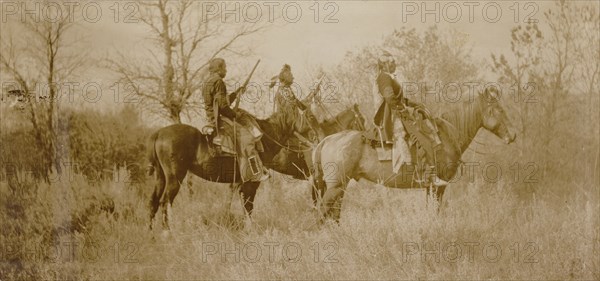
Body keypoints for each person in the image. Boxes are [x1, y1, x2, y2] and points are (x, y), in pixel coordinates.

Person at [373, 51, 448, 186]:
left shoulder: (388, 77)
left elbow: (399, 99)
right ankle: (431, 176)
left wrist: (414, 104)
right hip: (393, 117)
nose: (395, 64)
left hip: (397, 112)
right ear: (385, 64)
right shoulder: (384, 77)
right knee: (423, 139)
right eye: (392, 62)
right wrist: (404, 110)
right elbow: (390, 98)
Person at [202, 58, 269, 182]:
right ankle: (253, 174)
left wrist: (236, 93)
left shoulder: (208, 82)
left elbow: (221, 101)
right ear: (219, 69)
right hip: (219, 120)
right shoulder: (219, 82)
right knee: (248, 139)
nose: (226, 71)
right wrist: (235, 115)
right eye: (225, 68)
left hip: (210, 118)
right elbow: (223, 107)